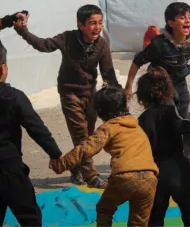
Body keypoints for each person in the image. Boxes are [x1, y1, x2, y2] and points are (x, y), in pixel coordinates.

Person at [13, 5, 119, 188]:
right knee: (81, 136)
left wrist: (117, 96)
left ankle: (76, 168)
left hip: (91, 95)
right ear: (80, 24)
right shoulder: (67, 38)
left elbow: (108, 73)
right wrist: (23, 31)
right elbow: (44, 45)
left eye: (100, 23)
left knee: (89, 135)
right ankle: (91, 176)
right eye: (92, 23)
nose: (97, 27)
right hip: (70, 94)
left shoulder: (101, 44)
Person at [49, 86, 159, 227]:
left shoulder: (109, 127)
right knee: (138, 222)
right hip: (150, 178)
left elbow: (86, 149)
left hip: (125, 177)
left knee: (104, 208)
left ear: (100, 111)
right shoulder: (137, 127)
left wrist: (62, 164)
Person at [125, 2, 190, 160]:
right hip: (161, 88)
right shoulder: (159, 44)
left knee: (185, 121)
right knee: (165, 122)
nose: (187, 20)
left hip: (180, 84)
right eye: (182, 17)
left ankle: (184, 159)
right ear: (171, 23)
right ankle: (157, 157)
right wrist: (129, 85)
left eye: (189, 17)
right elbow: (138, 61)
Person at [136, 67, 190, 226]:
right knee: (187, 209)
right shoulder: (171, 111)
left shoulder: (143, 119)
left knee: (156, 216)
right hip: (178, 169)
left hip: (156, 172)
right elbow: (180, 124)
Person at [0, 42, 63, 226]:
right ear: (3, 68)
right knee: (30, 218)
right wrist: (56, 155)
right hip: (10, 169)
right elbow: (37, 129)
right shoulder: (14, 97)